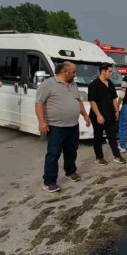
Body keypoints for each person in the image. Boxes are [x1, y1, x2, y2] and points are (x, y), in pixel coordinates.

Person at [35, 62, 91, 193]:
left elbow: (78, 101)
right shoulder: (48, 84)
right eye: (73, 72)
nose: (75, 74)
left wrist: (85, 115)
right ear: (65, 72)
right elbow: (39, 103)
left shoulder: (73, 84)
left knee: (72, 151)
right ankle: (49, 181)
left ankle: (70, 172)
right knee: (53, 154)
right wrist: (42, 122)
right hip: (56, 126)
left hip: (73, 125)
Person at [88, 64, 126, 165]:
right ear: (103, 71)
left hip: (110, 115)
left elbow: (114, 98)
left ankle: (117, 156)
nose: (111, 73)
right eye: (109, 71)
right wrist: (98, 115)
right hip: (98, 116)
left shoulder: (110, 83)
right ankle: (99, 157)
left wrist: (116, 110)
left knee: (112, 136)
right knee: (98, 137)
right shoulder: (94, 85)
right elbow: (92, 101)